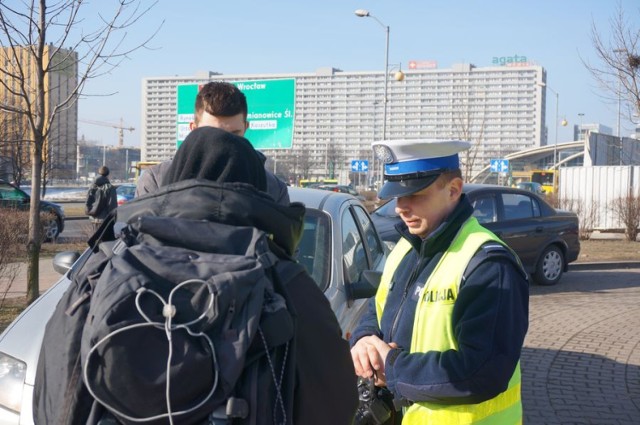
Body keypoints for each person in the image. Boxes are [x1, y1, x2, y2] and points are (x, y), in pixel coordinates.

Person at [350, 139, 529, 424]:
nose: (400, 208)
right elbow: (378, 306)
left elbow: (482, 370)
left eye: (415, 195)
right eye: (396, 196)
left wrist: (393, 366)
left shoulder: (488, 264)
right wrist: (363, 340)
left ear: (454, 190)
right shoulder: (408, 248)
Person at [136, 81, 289, 205]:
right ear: (193, 129)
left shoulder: (273, 188)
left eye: (234, 135)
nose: (224, 145)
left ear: (246, 128)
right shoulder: (156, 180)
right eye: (211, 135)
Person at [85, 165, 117, 231]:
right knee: (105, 240)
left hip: (93, 219)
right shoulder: (110, 188)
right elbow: (112, 206)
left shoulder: (92, 186)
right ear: (108, 174)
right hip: (104, 220)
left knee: (95, 239)